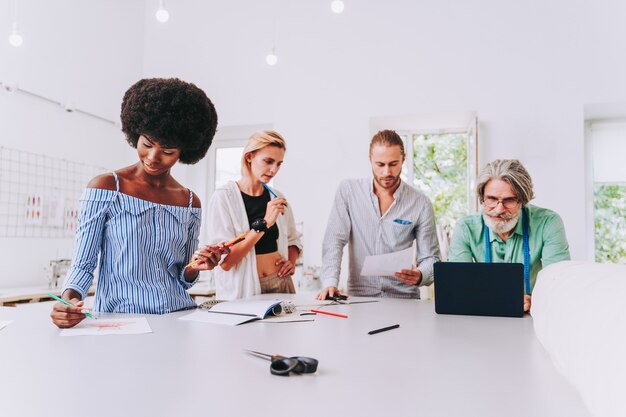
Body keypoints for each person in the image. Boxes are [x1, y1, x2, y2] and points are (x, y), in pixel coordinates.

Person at [51, 78, 222, 328]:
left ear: (183, 151)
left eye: (167, 151)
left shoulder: (189, 201)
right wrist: (68, 303)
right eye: (147, 144)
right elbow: (83, 264)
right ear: (136, 134)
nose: (153, 157)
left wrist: (198, 265)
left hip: (178, 317)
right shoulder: (106, 187)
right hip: (120, 321)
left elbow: (183, 277)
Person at [316, 130, 441, 300]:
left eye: (393, 164)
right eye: (380, 164)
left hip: (404, 298)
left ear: (403, 159)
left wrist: (420, 274)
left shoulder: (420, 203)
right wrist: (330, 282)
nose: (386, 172)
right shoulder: (348, 191)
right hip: (360, 298)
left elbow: (431, 258)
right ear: (370, 160)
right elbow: (334, 241)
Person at [447, 159, 571, 312]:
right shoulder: (465, 228)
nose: (499, 209)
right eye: (491, 199)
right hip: (482, 317)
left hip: (534, 316)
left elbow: (559, 283)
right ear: (482, 198)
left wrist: (535, 300)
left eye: (509, 200)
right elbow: (459, 287)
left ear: (522, 201)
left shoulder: (548, 223)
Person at [206, 130, 302, 300]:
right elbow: (226, 263)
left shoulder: (277, 198)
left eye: (279, 164)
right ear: (249, 157)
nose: (273, 170)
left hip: (280, 283)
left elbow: (293, 240)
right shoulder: (224, 197)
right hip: (245, 289)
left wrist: (291, 263)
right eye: (268, 161)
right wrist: (264, 224)